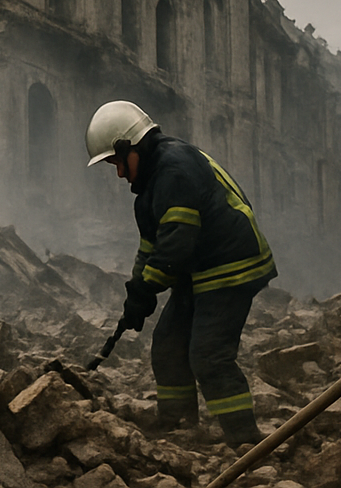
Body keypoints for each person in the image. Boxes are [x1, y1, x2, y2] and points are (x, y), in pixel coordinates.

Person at [84, 101, 276, 447]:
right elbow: (151, 249)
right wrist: (135, 294)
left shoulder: (174, 170)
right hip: (199, 270)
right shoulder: (149, 190)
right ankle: (178, 428)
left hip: (231, 265)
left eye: (116, 163)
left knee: (208, 356)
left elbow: (175, 245)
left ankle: (247, 443)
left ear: (131, 147)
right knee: (168, 345)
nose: (118, 174)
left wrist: (147, 290)